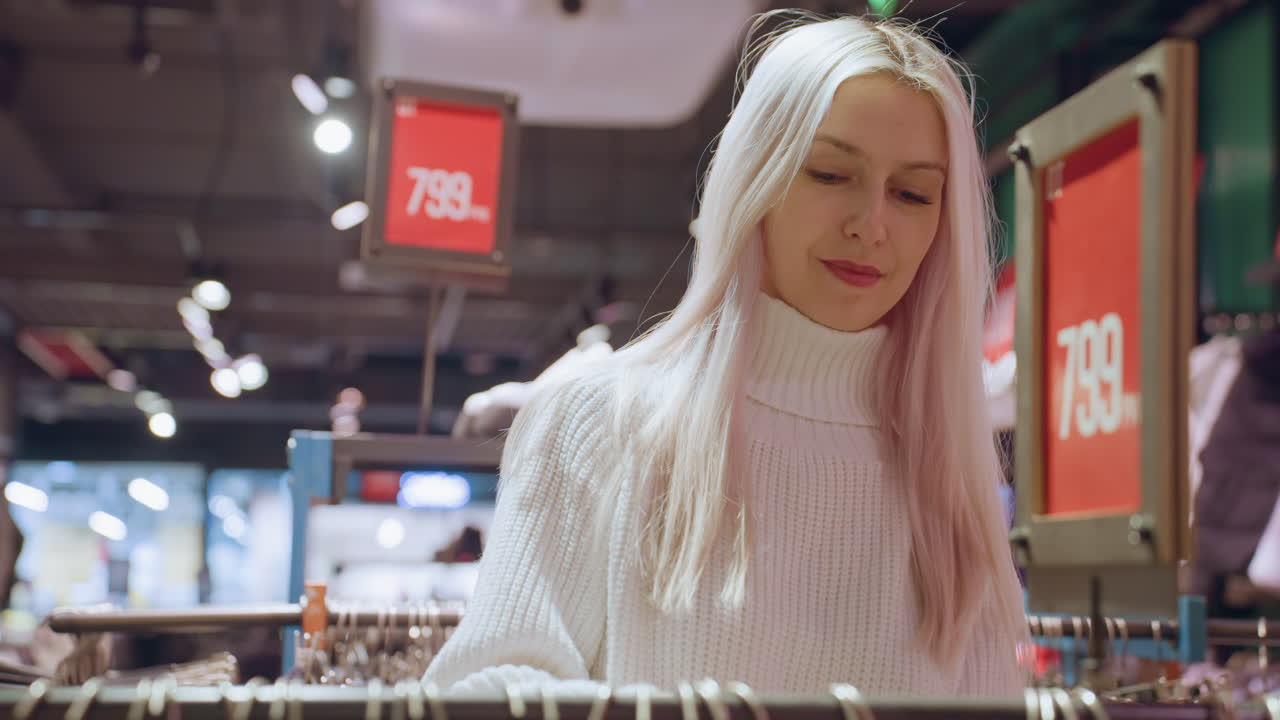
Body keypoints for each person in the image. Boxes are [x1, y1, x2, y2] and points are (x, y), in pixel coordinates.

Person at [424, 11, 1028, 697]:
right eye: (829, 174)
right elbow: (489, 687)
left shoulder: (945, 467)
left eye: (913, 193)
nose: (872, 224)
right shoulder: (598, 420)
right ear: (756, 178)